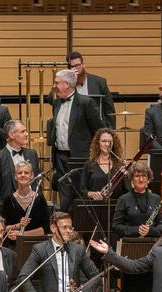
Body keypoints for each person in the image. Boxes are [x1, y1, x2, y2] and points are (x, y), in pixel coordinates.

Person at [113, 162, 162, 292]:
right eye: (137, 176)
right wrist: (136, 230)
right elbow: (116, 226)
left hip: (152, 249)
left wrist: (149, 231)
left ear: (149, 179)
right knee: (129, 290)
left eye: (144, 176)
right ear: (132, 179)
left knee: (150, 289)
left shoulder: (156, 199)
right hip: (131, 250)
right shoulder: (124, 200)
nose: (141, 179)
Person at [47, 69, 105, 212]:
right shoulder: (57, 103)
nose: (54, 86)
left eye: (57, 83)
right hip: (60, 156)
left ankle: (81, 226)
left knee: (80, 193)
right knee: (64, 192)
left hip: (80, 157)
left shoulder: (86, 103)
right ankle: (65, 224)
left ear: (67, 84)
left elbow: (99, 131)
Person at [0, 119, 40, 215]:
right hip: (8, 209)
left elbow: (37, 183)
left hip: (33, 208)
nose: (27, 134)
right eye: (23, 131)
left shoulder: (32, 154)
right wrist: (3, 213)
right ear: (12, 135)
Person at [66, 51, 115, 129]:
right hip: (74, 128)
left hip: (95, 126)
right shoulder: (66, 83)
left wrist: (111, 131)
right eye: (73, 66)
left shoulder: (99, 82)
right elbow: (52, 99)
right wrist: (69, 80)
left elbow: (109, 109)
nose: (76, 69)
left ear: (83, 65)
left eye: (78, 65)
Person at [1, 162, 49, 238]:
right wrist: (18, 225)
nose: (23, 175)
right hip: (13, 244)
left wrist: (21, 234)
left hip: (35, 244)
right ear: (15, 176)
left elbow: (45, 229)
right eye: (19, 173)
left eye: (26, 173)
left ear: (32, 175)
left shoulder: (39, 199)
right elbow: (4, 228)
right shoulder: (8, 199)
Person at [80, 128, 126, 201]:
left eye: (110, 141)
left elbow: (127, 191)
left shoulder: (120, 165)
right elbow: (83, 190)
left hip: (116, 207)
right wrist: (92, 194)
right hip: (95, 207)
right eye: (104, 141)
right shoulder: (89, 165)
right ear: (98, 143)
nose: (107, 144)